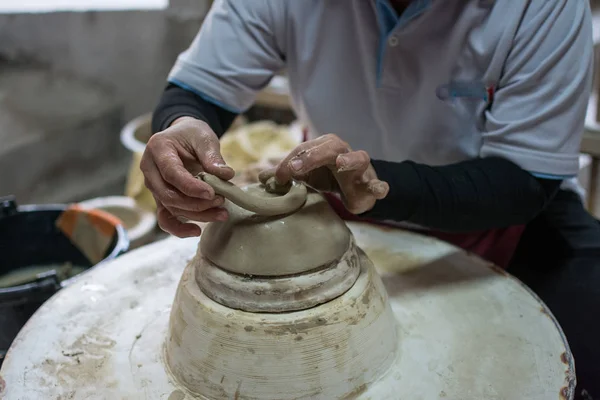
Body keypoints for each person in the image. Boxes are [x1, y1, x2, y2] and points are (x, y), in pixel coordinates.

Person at [142, 0, 597, 397]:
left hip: (499, 206)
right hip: (328, 196)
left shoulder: (542, 5)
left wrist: (383, 186)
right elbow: (198, 89)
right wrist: (180, 125)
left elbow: (525, 179)